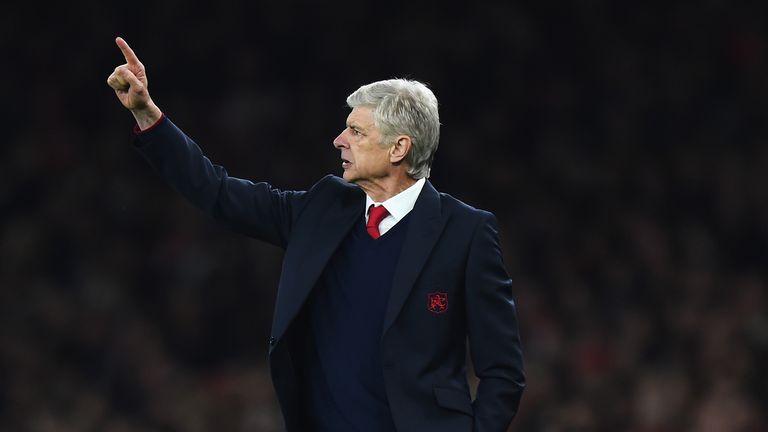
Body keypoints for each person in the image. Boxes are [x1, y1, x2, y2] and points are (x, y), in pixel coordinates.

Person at [107, 36, 525, 432]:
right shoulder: (324, 208)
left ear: (399, 148)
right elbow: (217, 192)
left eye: (356, 132)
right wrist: (148, 115)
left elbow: (503, 371)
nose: (339, 140)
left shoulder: (466, 232)